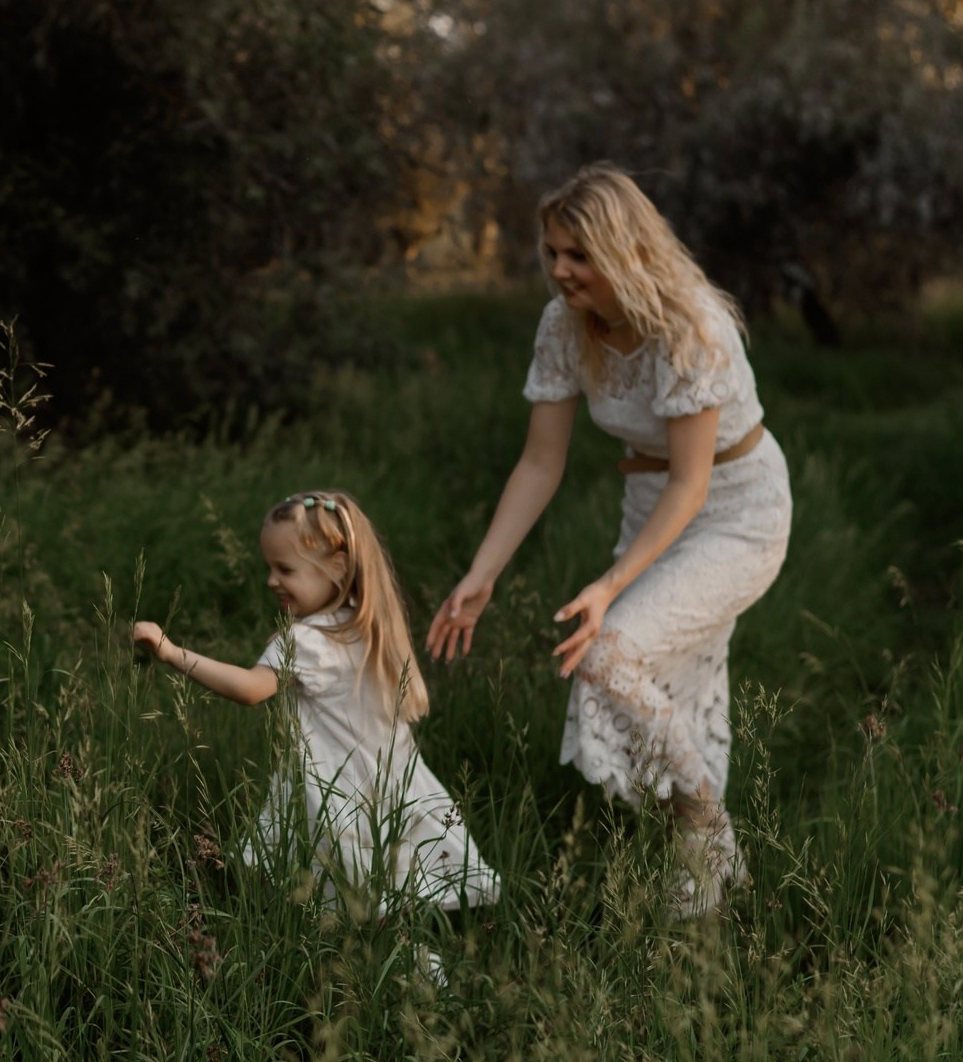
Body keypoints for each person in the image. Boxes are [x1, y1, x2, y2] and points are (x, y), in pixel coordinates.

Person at [426, 166, 789, 918]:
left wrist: (609, 584)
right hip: (649, 503)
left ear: (625, 252)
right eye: (553, 251)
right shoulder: (565, 325)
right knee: (660, 683)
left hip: (735, 510)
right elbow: (540, 461)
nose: (560, 270)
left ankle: (707, 833)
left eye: (579, 256)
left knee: (610, 652)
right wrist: (482, 572)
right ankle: (707, 869)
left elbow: (692, 485)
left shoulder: (691, 327)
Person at [133, 490, 501, 981]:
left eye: (285, 570)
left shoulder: (306, 641)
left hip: (336, 802)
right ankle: (413, 989)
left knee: (347, 914)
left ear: (338, 565)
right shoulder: (367, 627)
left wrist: (172, 652)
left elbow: (249, 690)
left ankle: (365, 989)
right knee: (382, 916)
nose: (271, 580)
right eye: (270, 567)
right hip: (386, 795)